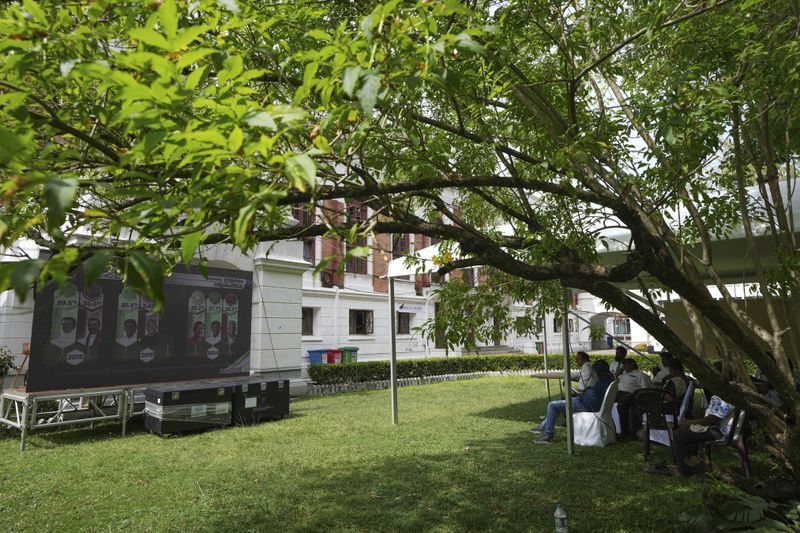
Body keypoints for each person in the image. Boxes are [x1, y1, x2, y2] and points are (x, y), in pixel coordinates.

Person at [531, 360, 615, 443]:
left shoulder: (601, 383)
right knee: (559, 404)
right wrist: (585, 393)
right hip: (586, 402)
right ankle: (543, 426)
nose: (594, 373)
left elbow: (591, 401)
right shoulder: (609, 379)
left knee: (552, 405)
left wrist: (584, 393)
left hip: (585, 405)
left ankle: (548, 435)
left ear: (597, 371)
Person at [673, 394, 736, 476]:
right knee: (689, 430)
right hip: (719, 429)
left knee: (680, 434)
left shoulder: (725, 395)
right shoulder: (728, 392)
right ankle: (692, 464)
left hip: (720, 432)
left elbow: (711, 420)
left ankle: (684, 471)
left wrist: (689, 422)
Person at [615, 358, 651, 437]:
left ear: (632, 364)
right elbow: (616, 376)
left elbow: (645, 389)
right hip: (618, 394)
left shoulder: (640, 375)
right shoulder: (623, 375)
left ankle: (624, 432)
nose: (623, 366)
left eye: (625, 363)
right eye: (623, 364)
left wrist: (634, 395)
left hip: (631, 395)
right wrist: (621, 369)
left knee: (622, 405)